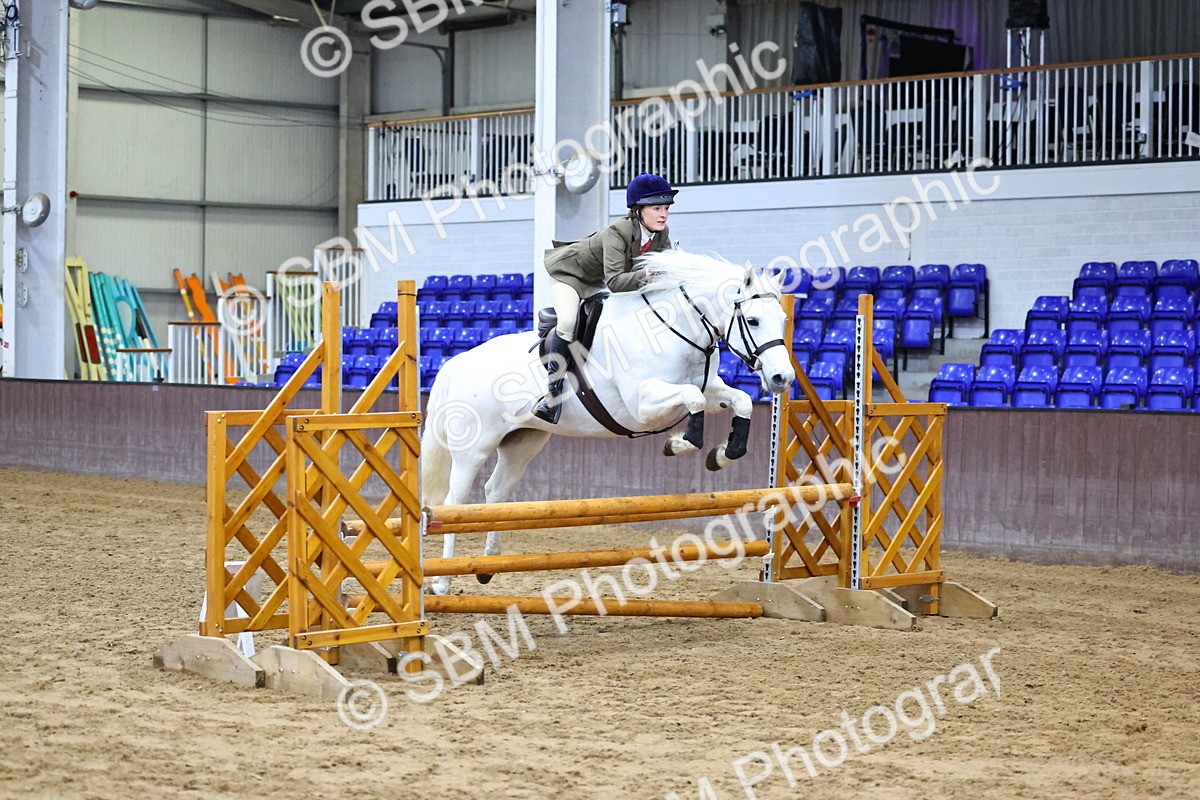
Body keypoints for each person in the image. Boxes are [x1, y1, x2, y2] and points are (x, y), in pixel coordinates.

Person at [533, 172, 678, 424]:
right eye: (656, 208)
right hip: (570, 275)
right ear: (638, 210)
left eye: (665, 207)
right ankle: (552, 394)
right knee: (567, 322)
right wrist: (647, 274)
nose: (663, 214)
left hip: (599, 280)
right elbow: (615, 281)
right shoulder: (617, 232)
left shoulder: (661, 235)